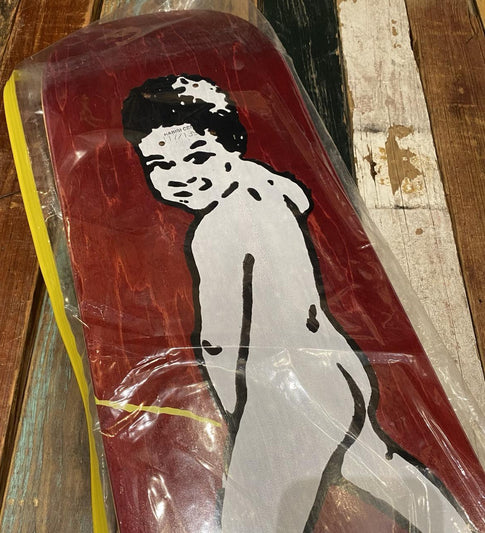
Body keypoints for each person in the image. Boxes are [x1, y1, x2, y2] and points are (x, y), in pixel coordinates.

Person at [121, 74, 473, 532]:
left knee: (251, 520)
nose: (182, 174)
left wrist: (237, 410)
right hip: (335, 370)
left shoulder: (218, 227)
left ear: (233, 148)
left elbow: (220, 338)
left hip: (283, 393)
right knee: (384, 467)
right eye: (160, 164)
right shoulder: (264, 189)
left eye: (199, 156)